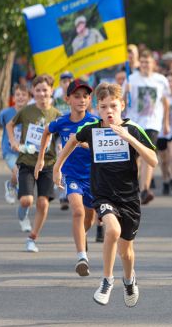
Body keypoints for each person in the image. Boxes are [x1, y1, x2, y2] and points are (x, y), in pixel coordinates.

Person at [54, 82, 157, 307]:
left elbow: (153, 160)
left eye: (113, 106)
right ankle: (107, 280)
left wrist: (128, 138)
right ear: (97, 108)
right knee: (112, 229)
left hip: (129, 197)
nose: (108, 111)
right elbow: (73, 140)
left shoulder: (133, 129)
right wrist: (57, 166)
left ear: (122, 105)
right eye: (103, 107)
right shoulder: (92, 129)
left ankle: (129, 280)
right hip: (103, 194)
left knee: (127, 252)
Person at [35, 79, 98, 274]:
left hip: (93, 177)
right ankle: (82, 258)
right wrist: (41, 159)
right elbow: (46, 132)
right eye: (77, 96)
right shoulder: (61, 122)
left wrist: (87, 145)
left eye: (85, 96)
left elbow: (102, 147)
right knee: (77, 211)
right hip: (71, 175)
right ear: (67, 99)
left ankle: (82, 235)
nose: (81, 100)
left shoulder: (95, 122)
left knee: (89, 217)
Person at [6, 74, 62, 252]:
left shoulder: (57, 115)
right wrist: (14, 143)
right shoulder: (27, 111)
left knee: (43, 203)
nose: (41, 93)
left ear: (51, 91)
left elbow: (62, 138)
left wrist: (61, 151)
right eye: (38, 90)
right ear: (33, 92)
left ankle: (32, 238)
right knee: (26, 200)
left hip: (47, 164)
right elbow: (10, 125)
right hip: (27, 162)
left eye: (45, 90)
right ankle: (22, 212)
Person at [124, 51, 170, 205]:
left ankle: (145, 189)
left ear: (153, 64)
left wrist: (166, 123)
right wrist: (126, 91)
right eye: (142, 62)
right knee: (134, 158)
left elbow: (165, 102)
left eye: (148, 62)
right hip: (134, 122)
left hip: (152, 123)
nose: (145, 65)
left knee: (147, 155)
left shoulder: (161, 80)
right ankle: (134, 186)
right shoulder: (131, 79)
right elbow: (123, 100)